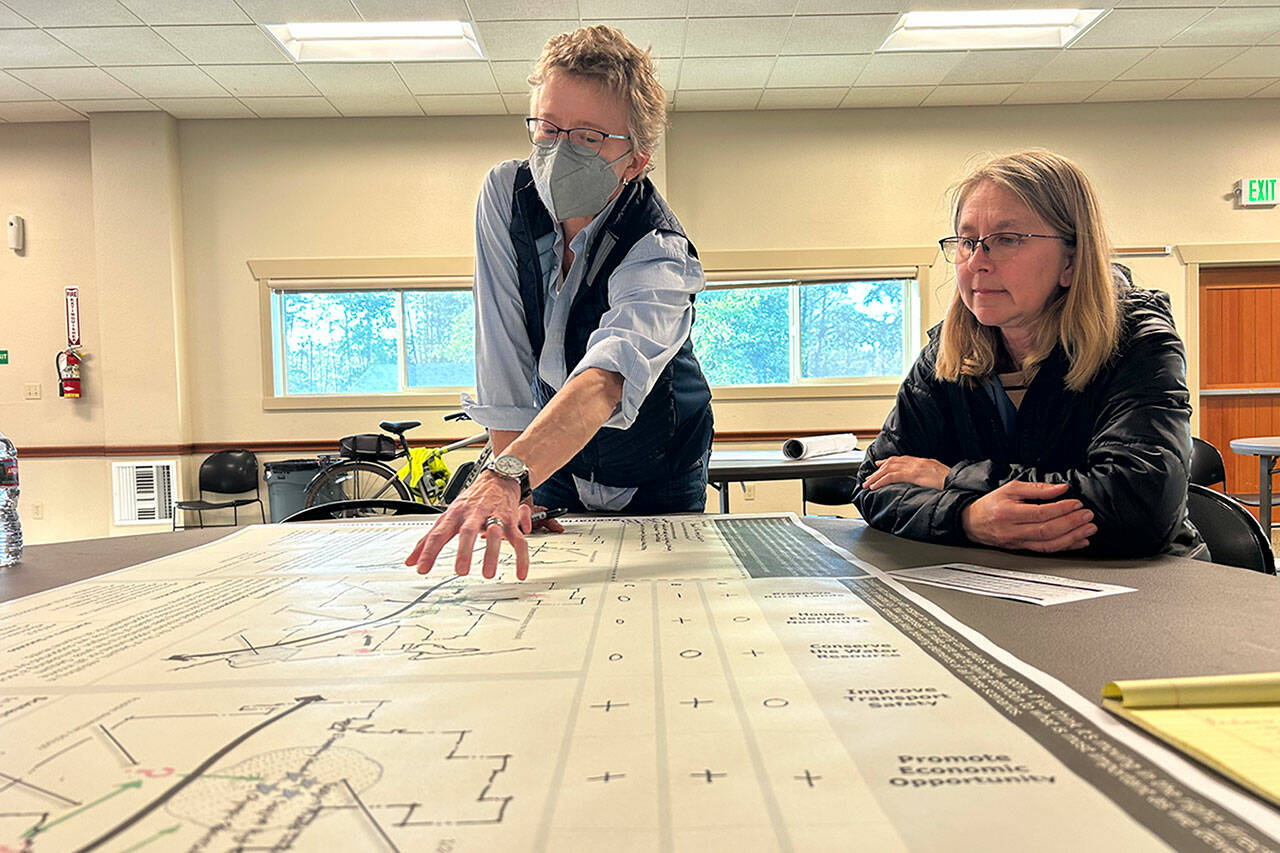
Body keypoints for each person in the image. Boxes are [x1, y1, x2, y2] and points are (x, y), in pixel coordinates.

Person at [407, 26, 714, 581]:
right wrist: (515, 481)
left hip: (659, 463)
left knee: (660, 603)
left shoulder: (660, 249)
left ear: (636, 160)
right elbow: (503, 356)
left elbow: (607, 376)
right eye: (548, 128)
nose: (558, 151)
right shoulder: (505, 195)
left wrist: (506, 475)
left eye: (590, 137)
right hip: (550, 460)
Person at [853, 149, 1205, 558]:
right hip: (1001, 583)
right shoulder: (945, 353)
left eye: (1006, 240)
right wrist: (967, 517)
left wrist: (952, 478)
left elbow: (1139, 503)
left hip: (1142, 588)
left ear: (1071, 260)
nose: (977, 263)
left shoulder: (1137, 340)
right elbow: (875, 482)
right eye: (967, 242)